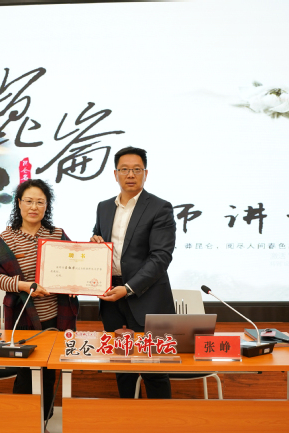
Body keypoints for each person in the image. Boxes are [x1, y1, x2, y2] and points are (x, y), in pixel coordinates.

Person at [0, 179, 79, 421]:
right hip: (23, 320)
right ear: (19, 203)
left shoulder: (57, 235)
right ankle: (23, 424)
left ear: (47, 206)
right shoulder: (7, 238)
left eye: (40, 202)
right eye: (28, 201)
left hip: (55, 320)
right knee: (26, 376)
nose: (34, 207)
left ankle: (43, 422)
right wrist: (23, 286)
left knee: (48, 375)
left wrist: (77, 283)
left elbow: (77, 267)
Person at [90, 146, 176, 399]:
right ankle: (128, 417)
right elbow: (101, 241)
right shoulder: (104, 207)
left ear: (145, 173)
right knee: (121, 366)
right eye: (124, 169)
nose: (130, 175)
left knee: (154, 368)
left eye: (136, 169)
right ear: (115, 174)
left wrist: (128, 289)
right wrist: (95, 243)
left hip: (147, 297)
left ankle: (161, 418)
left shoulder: (160, 207)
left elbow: (160, 257)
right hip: (111, 297)